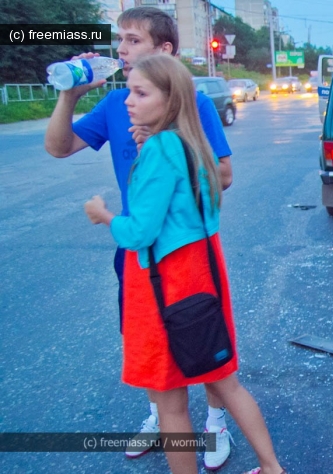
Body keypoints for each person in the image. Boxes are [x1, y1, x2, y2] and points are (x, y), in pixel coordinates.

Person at [44, 7, 234, 468]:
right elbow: (60, 147)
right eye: (120, 41)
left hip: (182, 253)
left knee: (199, 338)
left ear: (163, 51)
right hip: (135, 252)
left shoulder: (193, 103)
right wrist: (69, 95)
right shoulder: (118, 102)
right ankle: (162, 417)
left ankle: (213, 424)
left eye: (132, 41)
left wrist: (163, 152)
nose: (121, 51)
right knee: (147, 343)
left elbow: (222, 175)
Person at [83, 54, 285, 474]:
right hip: (203, 276)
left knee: (171, 402)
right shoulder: (191, 143)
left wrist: (104, 215)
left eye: (140, 92)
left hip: (163, 285)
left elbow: (139, 232)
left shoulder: (159, 149)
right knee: (224, 382)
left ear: (169, 99)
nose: (127, 101)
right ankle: (271, 468)